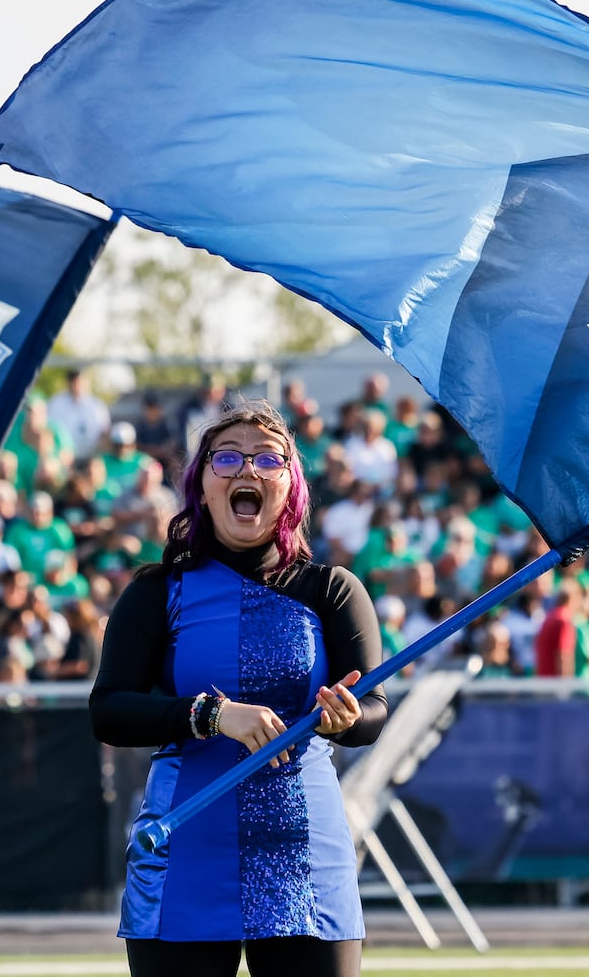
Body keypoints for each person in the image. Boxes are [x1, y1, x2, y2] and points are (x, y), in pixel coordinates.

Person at [90, 400, 389, 977]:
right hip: (185, 844)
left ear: (290, 485)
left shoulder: (333, 589)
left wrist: (346, 716)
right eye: (226, 458)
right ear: (200, 483)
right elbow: (109, 713)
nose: (246, 470)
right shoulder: (156, 591)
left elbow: (373, 709)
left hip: (304, 849)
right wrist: (209, 715)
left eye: (267, 459)